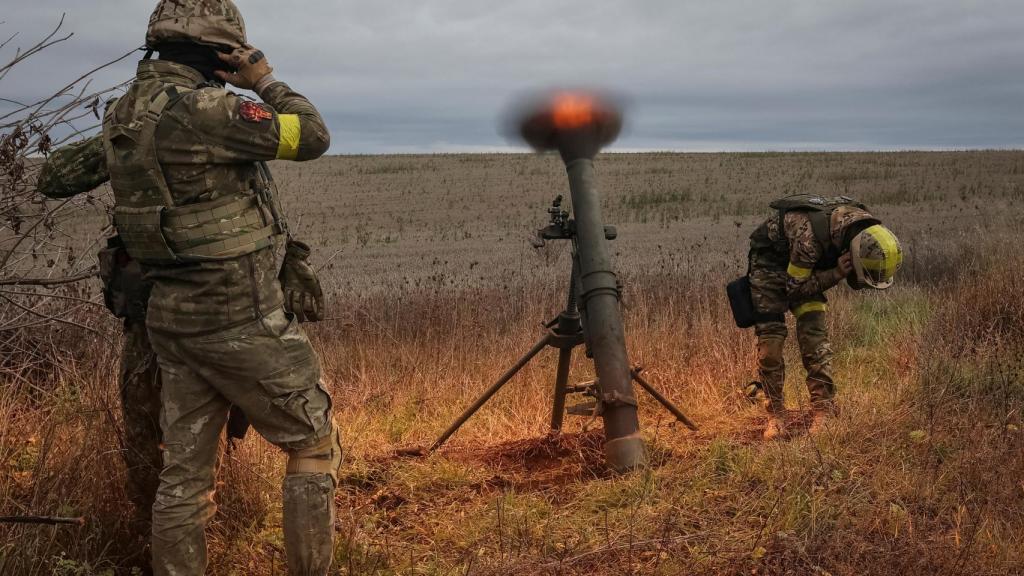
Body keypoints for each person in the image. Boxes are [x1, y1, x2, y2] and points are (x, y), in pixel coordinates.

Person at [36, 1, 339, 574]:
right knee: (313, 442)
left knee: (184, 477)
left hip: (170, 318)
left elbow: (56, 177)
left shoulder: (126, 114)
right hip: (236, 316)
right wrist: (263, 79)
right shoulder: (210, 110)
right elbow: (313, 135)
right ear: (221, 54)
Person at [745, 194, 903, 439]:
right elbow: (794, 289)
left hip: (806, 266)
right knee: (771, 344)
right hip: (771, 267)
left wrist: (830, 272)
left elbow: (805, 281)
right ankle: (775, 414)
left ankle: (823, 410)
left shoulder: (864, 228)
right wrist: (836, 273)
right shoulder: (808, 239)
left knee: (814, 338)